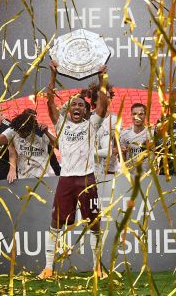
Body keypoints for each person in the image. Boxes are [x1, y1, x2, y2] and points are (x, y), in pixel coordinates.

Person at [38, 60, 109, 280]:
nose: (76, 107)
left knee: (94, 223)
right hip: (66, 180)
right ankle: (49, 268)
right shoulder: (61, 125)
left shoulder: (92, 125)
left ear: (87, 110)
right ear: (68, 110)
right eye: (73, 105)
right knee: (55, 223)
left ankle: (97, 267)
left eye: (81, 105)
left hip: (87, 179)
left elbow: (104, 105)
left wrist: (101, 78)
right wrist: (52, 74)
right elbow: (49, 100)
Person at [0, 109, 57, 180]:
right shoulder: (14, 129)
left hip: (43, 176)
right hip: (23, 178)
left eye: (23, 133)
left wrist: (47, 133)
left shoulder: (42, 130)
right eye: (19, 132)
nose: (20, 134)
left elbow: (59, 146)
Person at [87, 83, 120, 177]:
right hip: (91, 166)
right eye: (102, 97)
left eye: (108, 97)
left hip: (110, 166)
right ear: (95, 101)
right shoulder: (88, 117)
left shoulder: (115, 119)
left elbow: (118, 142)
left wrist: (117, 149)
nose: (106, 100)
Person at [120, 103, 153, 173]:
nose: (137, 117)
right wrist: (122, 153)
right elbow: (122, 159)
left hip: (147, 177)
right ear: (131, 115)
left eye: (141, 114)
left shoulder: (152, 134)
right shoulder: (124, 134)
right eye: (134, 114)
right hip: (129, 176)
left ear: (145, 115)